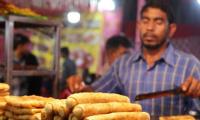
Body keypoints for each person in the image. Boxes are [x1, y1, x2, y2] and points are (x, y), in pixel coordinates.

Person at [67, 0, 200, 116]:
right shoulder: (122, 64)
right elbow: (96, 94)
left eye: (158, 22)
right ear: (138, 25)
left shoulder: (189, 65)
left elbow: (196, 113)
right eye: (145, 20)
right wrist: (81, 87)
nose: (150, 28)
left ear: (171, 29)